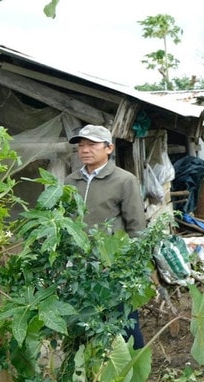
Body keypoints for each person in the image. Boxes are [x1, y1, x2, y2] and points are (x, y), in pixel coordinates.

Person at [65, 124, 147, 348]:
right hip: (80, 265)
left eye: (91, 145)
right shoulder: (71, 181)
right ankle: (96, 375)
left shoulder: (124, 180)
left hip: (113, 263)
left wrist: (131, 264)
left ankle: (134, 373)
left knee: (124, 319)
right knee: (86, 320)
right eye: (81, 145)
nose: (85, 150)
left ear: (109, 148)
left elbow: (136, 225)